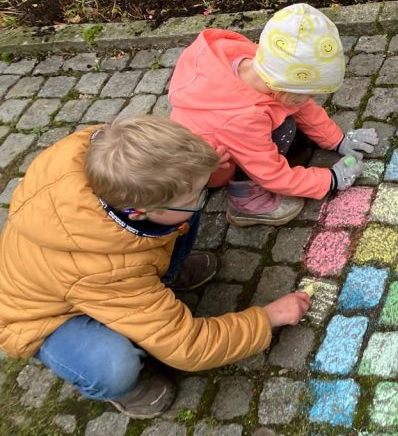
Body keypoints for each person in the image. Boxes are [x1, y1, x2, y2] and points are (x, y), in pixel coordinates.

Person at [0, 116, 311, 418]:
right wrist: (267, 318)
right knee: (113, 366)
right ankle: (120, 387)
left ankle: (164, 276)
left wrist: (200, 166)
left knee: (183, 213)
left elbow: (168, 170)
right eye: (196, 194)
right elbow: (188, 346)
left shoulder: (109, 152)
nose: (202, 196)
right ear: (137, 212)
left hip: (92, 265)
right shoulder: (107, 271)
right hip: (44, 317)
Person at [169, 3, 378, 226]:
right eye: (308, 94)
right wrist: (330, 179)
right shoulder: (243, 117)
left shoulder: (258, 61)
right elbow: (271, 173)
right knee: (284, 128)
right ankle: (247, 201)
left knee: (285, 119)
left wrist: (336, 140)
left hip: (229, 136)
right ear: (282, 88)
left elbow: (299, 105)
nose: (311, 100)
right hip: (212, 169)